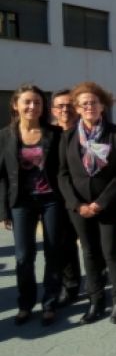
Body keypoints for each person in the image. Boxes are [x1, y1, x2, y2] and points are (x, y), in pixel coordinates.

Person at [57, 82, 116, 325]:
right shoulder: (68, 137)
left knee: (111, 253)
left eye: (94, 102)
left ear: (103, 106)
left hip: (108, 206)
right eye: (84, 103)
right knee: (88, 253)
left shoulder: (115, 133)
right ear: (77, 108)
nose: (89, 106)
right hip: (79, 208)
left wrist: (100, 202)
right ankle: (96, 302)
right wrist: (76, 205)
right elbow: (63, 174)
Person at [0, 84, 63, 326]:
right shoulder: (5, 136)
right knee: (23, 256)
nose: (32, 107)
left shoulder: (54, 134)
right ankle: (25, 303)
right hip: (21, 202)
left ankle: (49, 302)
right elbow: (2, 175)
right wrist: (4, 209)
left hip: (51, 200)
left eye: (37, 102)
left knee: (53, 251)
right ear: (15, 105)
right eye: (27, 102)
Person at [50, 89, 82, 307]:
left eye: (69, 105)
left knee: (93, 244)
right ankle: (70, 286)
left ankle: (99, 280)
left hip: (85, 197)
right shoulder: (50, 134)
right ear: (53, 110)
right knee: (64, 244)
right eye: (60, 106)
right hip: (56, 198)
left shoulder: (86, 131)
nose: (65, 110)